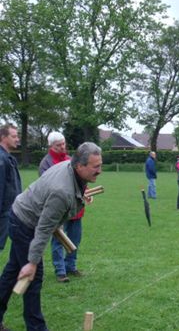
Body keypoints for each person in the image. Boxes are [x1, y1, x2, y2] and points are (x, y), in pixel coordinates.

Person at [0, 142, 102, 331]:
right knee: (33, 277)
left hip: (22, 215)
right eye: (95, 167)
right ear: (79, 165)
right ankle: (37, 328)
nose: (100, 171)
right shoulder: (61, 192)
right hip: (25, 223)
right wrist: (32, 262)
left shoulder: (70, 168)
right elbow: (43, 229)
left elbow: (74, 189)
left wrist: (81, 195)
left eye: (100, 165)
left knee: (12, 271)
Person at [39, 132, 88, 283]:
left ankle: (70, 266)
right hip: (58, 209)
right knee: (58, 240)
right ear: (51, 146)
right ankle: (60, 271)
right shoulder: (46, 163)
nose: (62, 147)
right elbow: (47, 187)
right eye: (58, 145)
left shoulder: (70, 160)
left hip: (75, 209)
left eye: (63, 144)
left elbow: (80, 181)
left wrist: (85, 193)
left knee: (75, 239)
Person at [0, 124, 22, 253]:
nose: (17, 139)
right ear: (3, 137)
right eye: (13, 136)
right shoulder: (2, 159)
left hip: (11, 211)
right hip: (4, 213)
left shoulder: (8, 158)